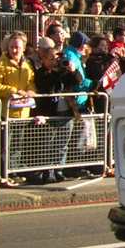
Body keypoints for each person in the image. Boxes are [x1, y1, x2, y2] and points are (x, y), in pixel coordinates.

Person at [30, 37, 82, 184]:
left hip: (66, 112)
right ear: (44, 59)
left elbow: (78, 82)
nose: (55, 61)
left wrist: (72, 70)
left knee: (62, 144)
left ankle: (58, 169)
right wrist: (56, 71)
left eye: (57, 58)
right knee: (47, 145)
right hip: (50, 114)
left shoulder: (63, 71)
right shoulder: (41, 73)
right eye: (52, 59)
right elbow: (47, 86)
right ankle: (47, 171)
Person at [0, 31, 36, 187]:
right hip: (5, 114)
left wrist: (31, 91)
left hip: (22, 112)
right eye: (11, 47)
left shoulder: (27, 65)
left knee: (16, 146)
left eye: (17, 48)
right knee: (3, 146)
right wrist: (14, 91)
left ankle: (13, 173)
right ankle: (1, 175)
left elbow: (30, 82)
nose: (14, 51)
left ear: (24, 48)